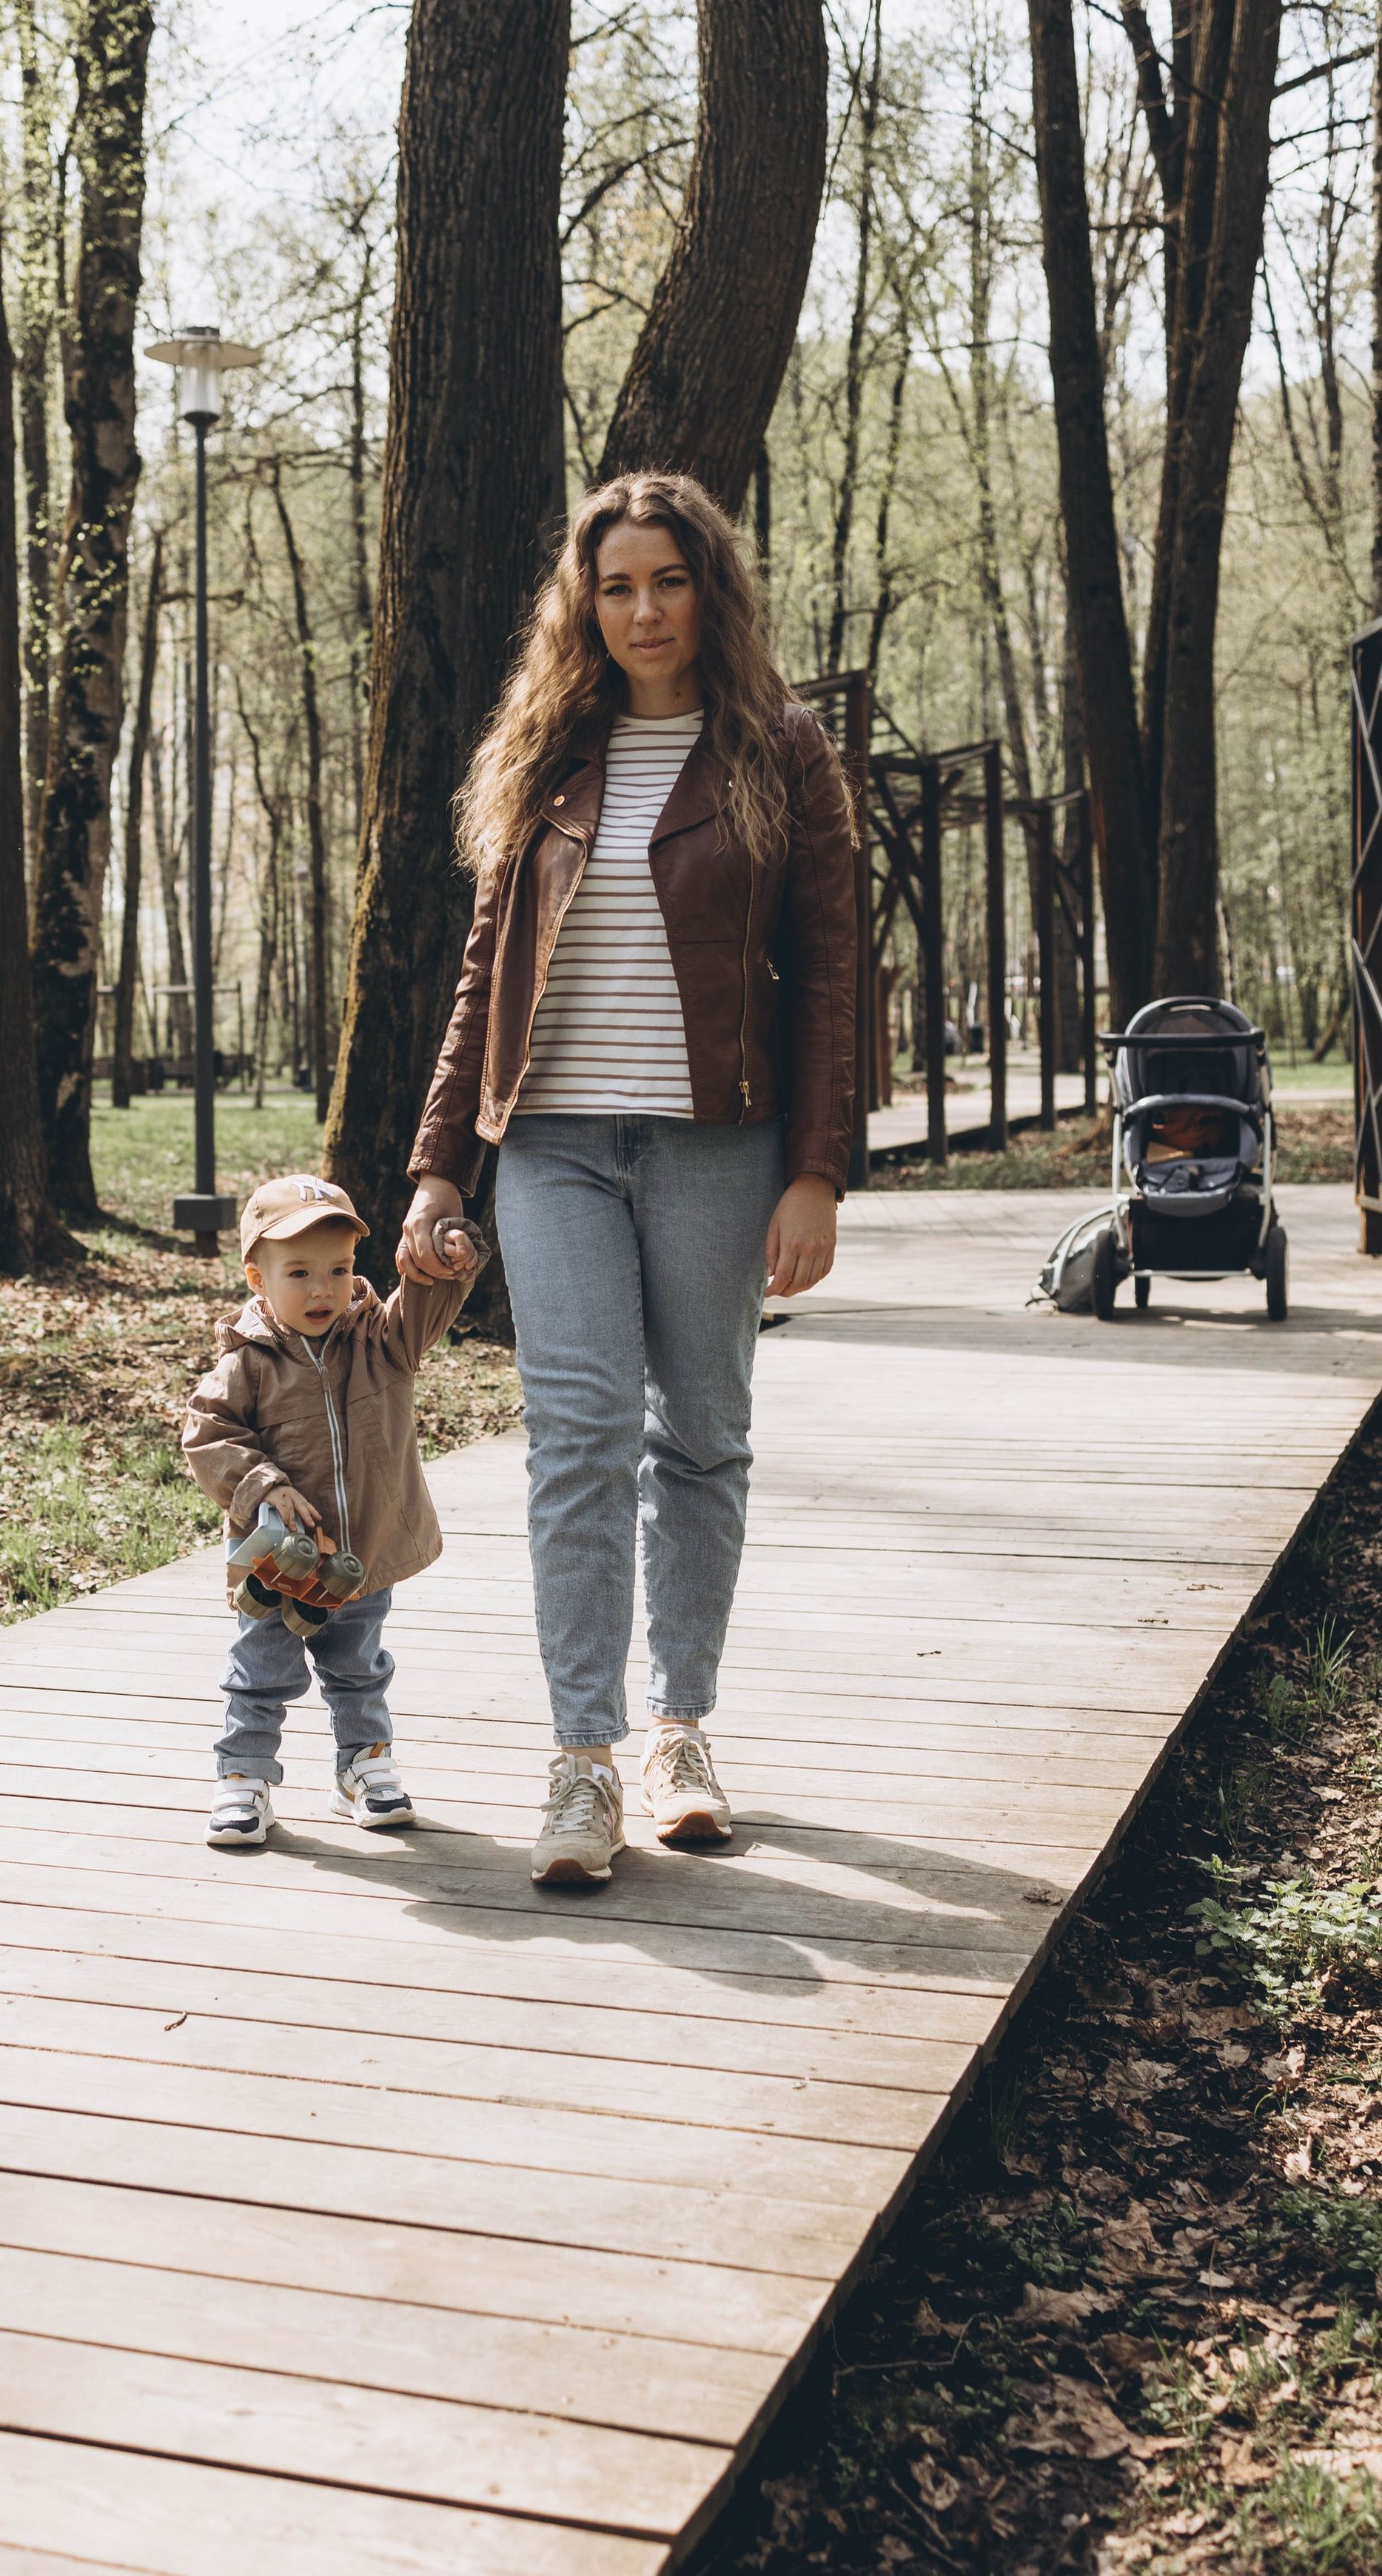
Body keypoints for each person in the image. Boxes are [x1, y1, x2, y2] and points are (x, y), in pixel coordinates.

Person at [398, 470, 856, 1885]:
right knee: (580, 1435)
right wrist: (435, 1171)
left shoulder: (781, 751)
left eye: (667, 580)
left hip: (720, 1143)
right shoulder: (544, 753)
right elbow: (487, 977)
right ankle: (581, 1761)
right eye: (616, 586)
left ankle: (681, 1730)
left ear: (708, 589)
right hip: (554, 1149)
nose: (644, 609)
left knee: (702, 1434)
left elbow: (834, 979)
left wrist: (817, 1175)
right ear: (583, 606)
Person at [184, 1173, 487, 1849]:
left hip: (361, 1557)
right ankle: (244, 1775)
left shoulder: (383, 1341)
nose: (323, 1289)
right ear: (257, 1280)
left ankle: (363, 1765)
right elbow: (208, 1435)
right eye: (298, 1272)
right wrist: (264, 1484)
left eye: (339, 1269)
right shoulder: (246, 1364)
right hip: (280, 1561)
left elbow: (426, 1302)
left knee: (358, 1669)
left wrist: (449, 1264)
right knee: (261, 1672)